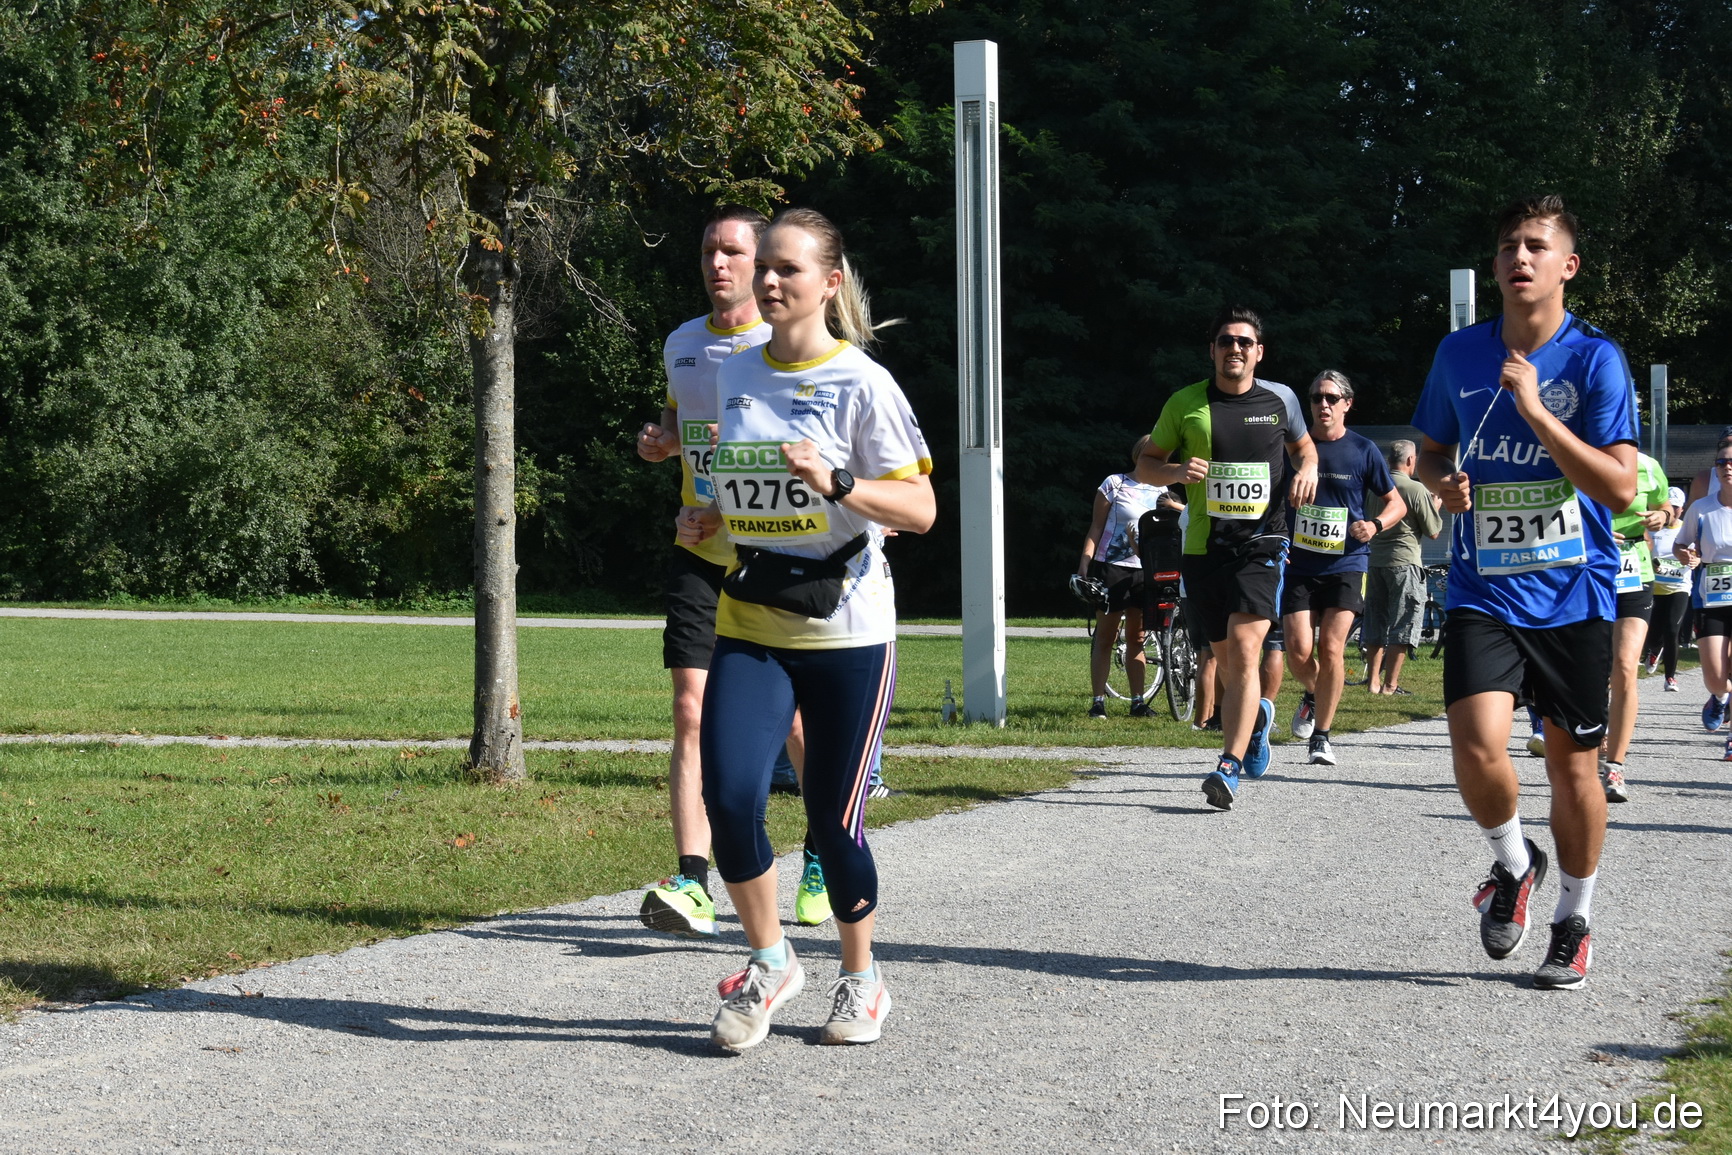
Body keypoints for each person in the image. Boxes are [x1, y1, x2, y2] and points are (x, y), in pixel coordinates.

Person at [680, 207, 935, 1050]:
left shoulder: (862, 382)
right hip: (751, 617)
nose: (770, 280)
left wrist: (839, 480)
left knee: (832, 819)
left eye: (788, 268)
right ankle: (771, 960)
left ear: (830, 283)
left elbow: (921, 507)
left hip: (847, 631)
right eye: (767, 268)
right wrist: (706, 520)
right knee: (731, 795)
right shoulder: (734, 373)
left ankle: (861, 979)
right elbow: (735, 487)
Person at [1413, 194, 1638, 991]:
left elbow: (1617, 487)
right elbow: (1428, 451)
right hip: (1482, 588)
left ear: (1567, 266)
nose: (1519, 256)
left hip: (1574, 596)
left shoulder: (1596, 360)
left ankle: (1574, 918)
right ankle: (1515, 861)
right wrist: (1446, 484)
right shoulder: (1459, 355)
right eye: (1508, 243)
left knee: (1573, 771)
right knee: (1476, 745)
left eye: (1537, 245)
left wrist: (1538, 411)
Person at [634, 205, 830, 939]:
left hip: (771, 556)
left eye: (733, 252)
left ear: (764, 263)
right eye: (709, 250)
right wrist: (658, 446)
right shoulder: (682, 344)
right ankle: (692, 879)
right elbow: (678, 429)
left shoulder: (782, 346)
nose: (719, 264)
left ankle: (819, 855)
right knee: (690, 709)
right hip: (697, 552)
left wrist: (736, 505)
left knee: (797, 724)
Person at [1138, 305, 1318, 809]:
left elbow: (1306, 449)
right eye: (1225, 342)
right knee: (1222, 656)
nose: (1234, 349)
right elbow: (1144, 464)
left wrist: (1307, 470)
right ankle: (1256, 720)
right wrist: (1174, 471)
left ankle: (1228, 765)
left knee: (1242, 650)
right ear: (1212, 350)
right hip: (1202, 548)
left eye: (1244, 342)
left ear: (1259, 351)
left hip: (1264, 543)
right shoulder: (1186, 403)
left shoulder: (1280, 399)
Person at [1282, 370, 1403, 766]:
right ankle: (1315, 693)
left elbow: (1396, 503)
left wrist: (1375, 524)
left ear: (1347, 404)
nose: (1323, 405)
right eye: (1317, 397)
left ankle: (1322, 736)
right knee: (1299, 653)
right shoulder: (1293, 448)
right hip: (1299, 563)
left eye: (1332, 398)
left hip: (1347, 561)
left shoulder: (1363, 450)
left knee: (1331, 647)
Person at [1077, 437, 1176, 718]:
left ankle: (1138, 702)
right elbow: (1096, 527)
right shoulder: (1115, 483)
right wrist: (1084, 563)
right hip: (1112, 566)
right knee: (1105, 636)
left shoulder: (1163, 489)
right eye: (1150, 453)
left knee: (1138, 637)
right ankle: (1098, 701)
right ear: (1139, 454)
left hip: (1147, 570)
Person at [1600, 452, 1673, 802]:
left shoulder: (1647, 465)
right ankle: (1591, 734)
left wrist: (1663, 515)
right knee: (1592, 667)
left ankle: (1615, 766)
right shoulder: (1574, 453)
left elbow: (1667, 507)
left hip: (1635, 573)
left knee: (1626, 666)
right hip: (1585, 570)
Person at [1364, 439, 1443, 695]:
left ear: (1389, 461)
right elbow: (1433, 531)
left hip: (1375, 562)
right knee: (1404, 623)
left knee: (1376, 622)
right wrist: (1436, 506)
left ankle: (1373, 682)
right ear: (1411, 461)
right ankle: (1390, 685)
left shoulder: (1375, 487)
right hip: (1404, 563)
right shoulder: (1416, 489)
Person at [1674, 455, 1732, 757]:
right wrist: (1686, 555)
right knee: (1715, 676)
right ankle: (1719, 697)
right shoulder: (1702, 508)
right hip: (1712, 595)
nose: (1727, 467)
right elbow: (1680, 544)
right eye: (1722, 462)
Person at [1644, 486, 1690, 692]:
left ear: (1683, 508)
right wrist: (1651, 561)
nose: (1674, 510)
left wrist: (1695, 558)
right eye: (1670, 506)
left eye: (1677, 507)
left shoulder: (1686, 528)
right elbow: (1645, 548)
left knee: (1672, 629)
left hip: (1679, 587)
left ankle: (1670, 677)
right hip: (1654, 587)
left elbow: (1698, 551)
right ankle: (1655, 649)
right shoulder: (1653, 527)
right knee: (1652, 635)